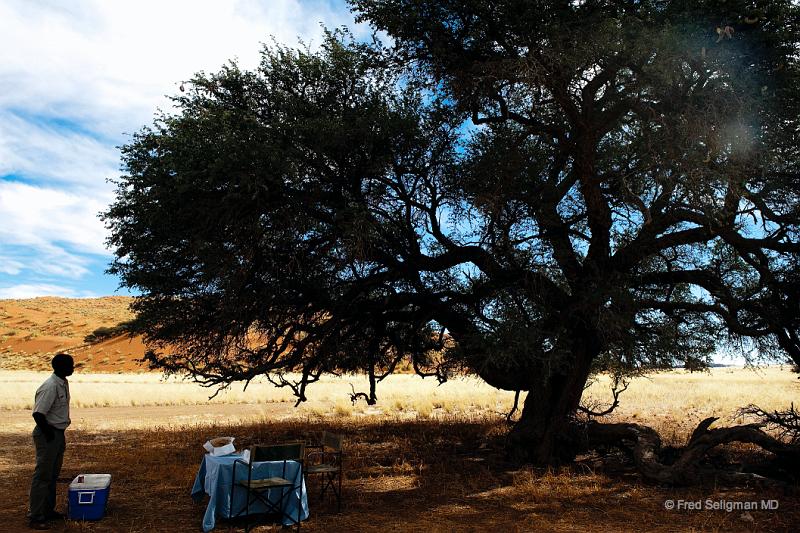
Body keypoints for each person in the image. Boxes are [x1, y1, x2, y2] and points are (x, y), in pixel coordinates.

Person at [28, 353, 74, 530]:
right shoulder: (51, 385)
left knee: (52, 475)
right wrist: (49, 435)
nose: (73, 368)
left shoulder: (62, 382)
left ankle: (47, 510)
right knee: (43, 476)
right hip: (49, 433)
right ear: (60, 367)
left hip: (57, 433)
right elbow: (38, 414)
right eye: (70, 365)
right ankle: (36, 516)